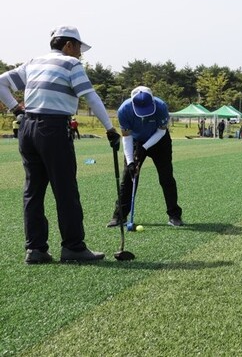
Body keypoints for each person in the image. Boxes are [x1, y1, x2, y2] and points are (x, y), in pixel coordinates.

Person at [0, 25, 120, 264]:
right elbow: (91, 97)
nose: (79, 54)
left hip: (27, 128)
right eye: (78, 49)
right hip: (53, 128)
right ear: (68, 45)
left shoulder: (34, 62)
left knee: (33, 191)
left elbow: (0, 83)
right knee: (65, 189)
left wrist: (16, 108)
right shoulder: (71, 64)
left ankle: (35, 249)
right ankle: (73, 247)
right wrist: (110, 128)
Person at [107, 86, 184, 228]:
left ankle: (174, 215)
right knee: (128, 178)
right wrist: (130, 161)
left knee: (166, 177)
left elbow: (161, 132)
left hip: (160, 142)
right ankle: (119, 216)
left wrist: (144, 147)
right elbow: (126, 137)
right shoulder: (124, 110)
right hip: (135, 141)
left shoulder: (161, 107)